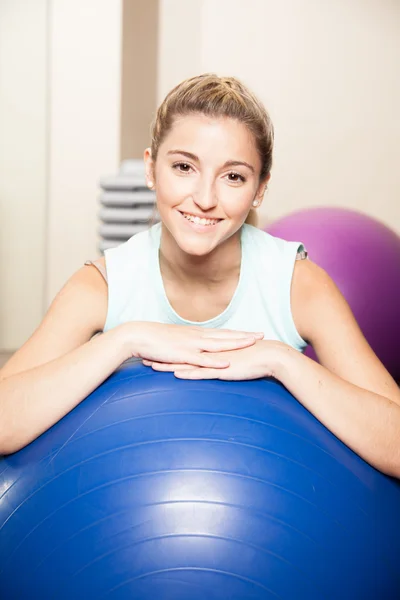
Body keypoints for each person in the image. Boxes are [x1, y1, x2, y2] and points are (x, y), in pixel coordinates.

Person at [0, 74, 399, 478]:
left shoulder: (298, 284)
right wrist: (125, 340)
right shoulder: (101, 285)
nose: (205, 199)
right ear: (151, 169)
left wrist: (281, 362)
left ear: (260, 189)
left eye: (233, 176)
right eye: (184, 167)